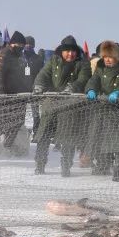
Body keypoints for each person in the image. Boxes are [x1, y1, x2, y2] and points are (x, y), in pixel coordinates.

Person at [33, 35, 91, 176]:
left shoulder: (83, 64)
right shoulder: (54, 61)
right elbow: (43, 74)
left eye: (73, 51)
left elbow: (83, 79)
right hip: (51, 103)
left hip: (70, 107)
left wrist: (71, 88)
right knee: (43, 136)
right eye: (67, 51)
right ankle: (39, 165)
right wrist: (38, 86)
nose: (70, 54)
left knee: (68, 138)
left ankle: (66, 167)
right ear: (61, 51)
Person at [85, 40, 119, 181]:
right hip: (103, 109)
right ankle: (102, 166)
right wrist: (91, 89)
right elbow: (94, 80)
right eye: (105, 57)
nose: (107, 60)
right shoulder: (100, 67)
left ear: (117, 57)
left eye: (110, 57)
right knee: (102, 139)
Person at [0, 30, 33, 156]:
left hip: (17, 95)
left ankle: (8, 145)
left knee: (17, 122)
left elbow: (24, 75)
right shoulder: (4, 53)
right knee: (3, 121)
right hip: (4, 95)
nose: (22, 48)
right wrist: (2, 92)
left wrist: (27, 89)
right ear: (13, 44)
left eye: (23, 47)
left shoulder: (20, 57)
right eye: (20, 46)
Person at [24, 35, 45, 138]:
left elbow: (41, 74)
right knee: (20, 114)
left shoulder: (38, 59)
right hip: (21, 89)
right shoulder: (20, 57)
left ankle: (36, 133)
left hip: (34, 90)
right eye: (26, 44)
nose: (28, 46)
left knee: (35, 114)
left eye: (30, 45)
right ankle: (20, 134)